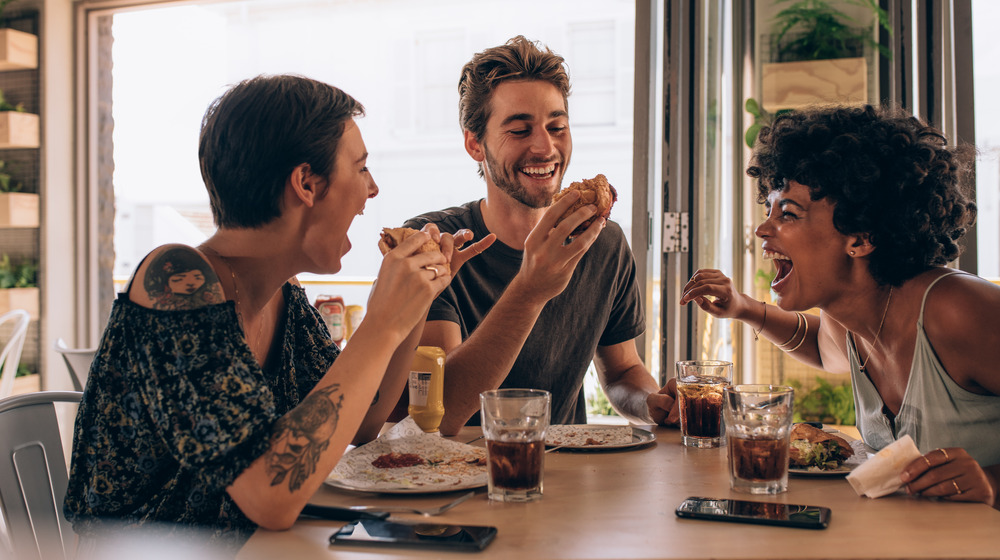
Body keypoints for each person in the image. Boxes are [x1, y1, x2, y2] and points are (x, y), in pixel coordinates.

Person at [63, 74, 490, 549]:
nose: (372, 190)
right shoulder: (174, 280)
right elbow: (270, 495)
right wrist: (384, 321)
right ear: (306, 183)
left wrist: (415, 304)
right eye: (362, 168)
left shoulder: (282, 296)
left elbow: (364, 420)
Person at [679, 104, 999, 508]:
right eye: (769, 210)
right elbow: (820, 347)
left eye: (788, 214)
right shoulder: (849, 318)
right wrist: (744, 308)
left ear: (861, 238)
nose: (763, 228)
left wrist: (993, 482)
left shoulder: (959, 310)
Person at [397, 36, 678, 435]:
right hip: (452, 477)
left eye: (557, 126)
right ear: (475, 144)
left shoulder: (604, 241)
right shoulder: (433, 244)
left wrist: (652, 404)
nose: (545, 147)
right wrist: (530, 289)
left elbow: (622, 372)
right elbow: (438, 414)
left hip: (561, 478)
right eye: (519, 130)